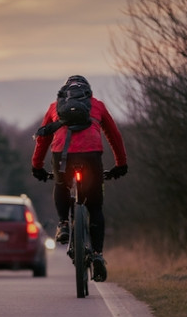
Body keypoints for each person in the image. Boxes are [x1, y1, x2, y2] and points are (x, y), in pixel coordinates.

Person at [31, 75, 127, 282]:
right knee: (95, 207)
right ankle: (98, 254)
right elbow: (114, 135)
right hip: (91, 155)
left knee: (61, 184)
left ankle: (64, 223)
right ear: (87, 91)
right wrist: (121, 164)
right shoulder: (97, 105)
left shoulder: (54, 107)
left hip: (61, 155)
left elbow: (42, 139)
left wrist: (36, 166)